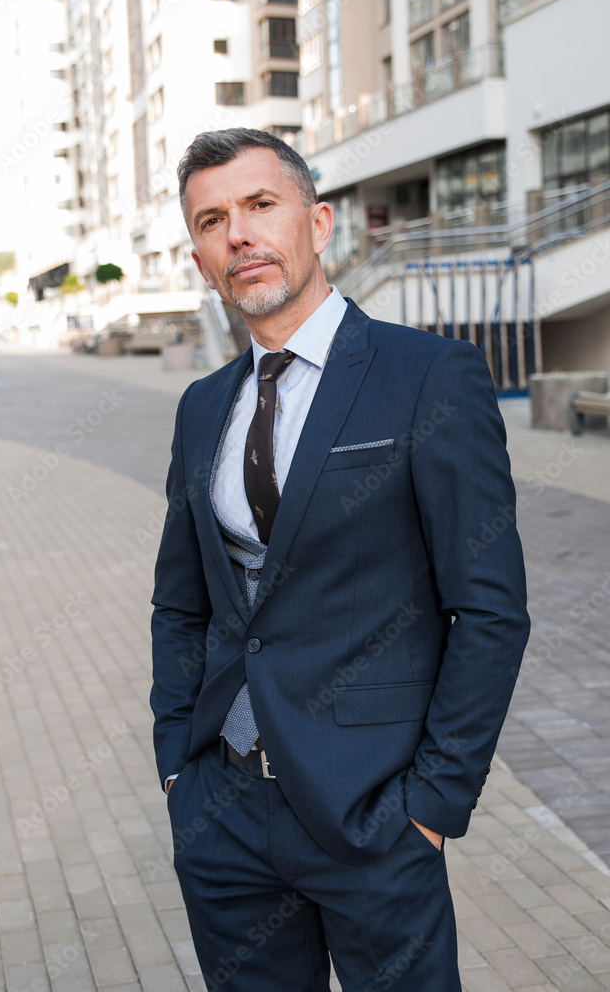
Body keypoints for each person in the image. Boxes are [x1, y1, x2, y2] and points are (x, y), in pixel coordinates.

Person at [150, 128, 530, 992]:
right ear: (202, 257)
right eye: (213, 221)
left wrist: (430, 807)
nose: (238, 234)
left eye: (259, 205)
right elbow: (182, 603)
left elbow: (491, 609)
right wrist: (181, 766)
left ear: (318, 223)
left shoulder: (429, 375)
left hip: (375, 817)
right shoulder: (201, 407)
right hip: (226, 815)